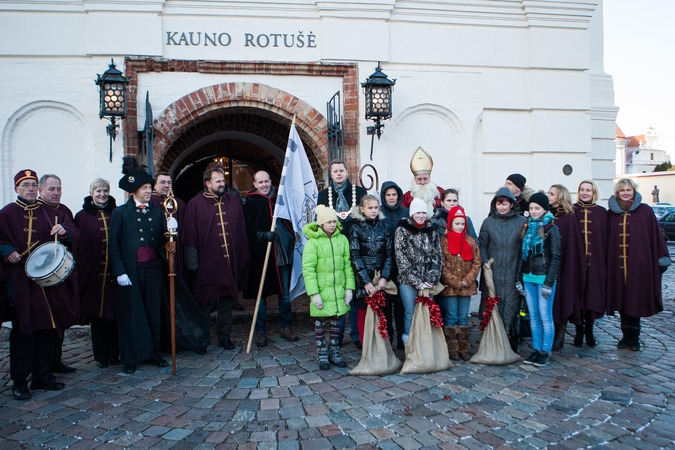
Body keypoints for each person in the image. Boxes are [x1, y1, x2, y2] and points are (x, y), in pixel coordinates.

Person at [0, 170, 79, 400]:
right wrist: (7, 252)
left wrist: (64, 232)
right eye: (26, 185)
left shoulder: (48, 212)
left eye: (34, 184)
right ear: (17, 188)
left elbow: (73, 231)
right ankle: (20, 381)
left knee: (46, 328)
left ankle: (42, 375)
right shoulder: (6, 213)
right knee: (24, 330)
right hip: (20, 282)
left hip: (46, 283)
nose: (31, 188)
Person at [109, 170, 175, 374]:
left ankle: (153, 352)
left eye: (149, 187)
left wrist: (172, 230)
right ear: (133, 191)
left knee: (153, 312)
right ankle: (130, 357)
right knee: (131, 313)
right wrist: (119, 270)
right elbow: (114, 244)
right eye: (145, 188)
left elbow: (165, 238)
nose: (149, 191)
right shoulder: (120, 213)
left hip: (153, 268)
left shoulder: (157, 211)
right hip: (131, 270)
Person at [182, 163, 250, 351]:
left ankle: (224, 336)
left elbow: (240, 230)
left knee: (227, 301)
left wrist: (242, 258)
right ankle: (202, 338)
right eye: (218, 181)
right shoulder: (195, 204)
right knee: (203, 302)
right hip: (207, 263)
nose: (222, 184)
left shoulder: (233, 201)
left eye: (223, 180)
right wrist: (192, 264)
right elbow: (189, 236)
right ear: (207, 184)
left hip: (229, 262)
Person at [607, 178, 670, 351]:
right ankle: (624, 335)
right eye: (622, 190)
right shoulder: (611, 214)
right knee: (621, 300)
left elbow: (655, 236)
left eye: (628, 190)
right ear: (617, 193)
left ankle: (634, 337)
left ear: (634, 191)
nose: (626, 193)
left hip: (639, 266)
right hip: (617, 266)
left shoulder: (645, 211)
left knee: (635, 300)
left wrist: (661, 258)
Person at [243, 170, 298, 347]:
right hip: (261, 256)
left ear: (270, 181)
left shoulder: (281, 200)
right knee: (261, 296)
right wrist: (261, 236)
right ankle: (260, 330)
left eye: (266, 181)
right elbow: (247, 232)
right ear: (255, 184)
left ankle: (286, 326)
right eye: (260, 182)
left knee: (285, 294)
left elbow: (291, 224)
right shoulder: (251, 204)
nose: (264, 185)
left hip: (281, 254)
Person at [317, 160, 366, 347]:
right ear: (330, 174)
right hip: (333, 250)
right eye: (335, 171)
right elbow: (320, 221)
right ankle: (337, 334)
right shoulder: (324, 195)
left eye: (341, 170)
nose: (338, 174)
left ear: (347, 172)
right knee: (337, 293)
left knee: (353, 293)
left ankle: (356, 334)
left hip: (355, 250)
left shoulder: (359, 193)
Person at [302, 205, 355, 370]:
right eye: (328, 222)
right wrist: (314, 294)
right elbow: (308, 271)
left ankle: (334, 350)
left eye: (334, 221)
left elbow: (347, 265)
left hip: (338, 290)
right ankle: (322, 353)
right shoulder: (313, 243)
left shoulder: (342, 240)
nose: (332, 224)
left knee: (336, 322)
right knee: (320, 323)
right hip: (322, 292)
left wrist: (349, 288)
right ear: (321, 224)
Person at [74, 178, 120, 368]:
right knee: (97, 316)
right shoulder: (82, 216)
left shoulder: (116, 213)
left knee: (114, 314)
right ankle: (101, 356)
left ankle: (114, 354)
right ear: (92, 193)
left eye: (105, 191)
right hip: (92, 272)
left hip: (114, 272)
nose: (102, 195)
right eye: (98, 191)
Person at [37, 174, 80, 374]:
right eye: (51, 189)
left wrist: (65, 232)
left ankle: (56, 360)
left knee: (59, 316)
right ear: (40, 190)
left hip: (60, 275)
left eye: (58, 189)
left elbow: (74, 233)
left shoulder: (63, 211)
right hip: (39, 278)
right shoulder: (34, 210)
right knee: (44, 321)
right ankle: (40, 367)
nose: (56, 193)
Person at [478, 187, 527, 352]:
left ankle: (513, 337)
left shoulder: (521, 222)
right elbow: (482, 244)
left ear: (511, 204)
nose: (502, 207)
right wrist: (485, 261)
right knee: (492, 303)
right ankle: (490, 336)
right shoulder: (488, 222)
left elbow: (523, 246)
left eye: (505, 203)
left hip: (513, 269)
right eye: (499, 203)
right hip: (494, 270)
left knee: (513, 303)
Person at [516, 193, 561, 367]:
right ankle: (535, 349)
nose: (534, 211)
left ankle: (545, 351)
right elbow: (522, 255)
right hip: (528, 278)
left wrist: (549, 282)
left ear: (544, 209)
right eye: (532, 208)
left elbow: (556, 256)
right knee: (533, 316)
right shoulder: (527, 227)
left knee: (545, 316)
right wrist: (519, 277)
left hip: (543, 279)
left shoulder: (551, 229)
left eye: (537, 208)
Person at [394, 198, 443, 345]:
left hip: (427, 280)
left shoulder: (432, 230)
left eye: (423, 212)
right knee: (410, 313)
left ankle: (426, 344)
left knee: (427, 312)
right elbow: (401, 257)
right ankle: (410, 344)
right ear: (412, 214)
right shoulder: (402, 230)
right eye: (418, 213)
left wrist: (431, 277)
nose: (421, 215)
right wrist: (415, 280)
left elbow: (437, 255)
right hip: (408, 281)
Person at [349, 195, 393, 344]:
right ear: (362, 209)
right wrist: (366, 282)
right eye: (370, 208)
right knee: (364, 312)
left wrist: (384, 277)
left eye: (376, 208)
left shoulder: (384, 227)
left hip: (380, 275)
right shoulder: (356, 228)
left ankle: (382, 346)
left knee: (383, 312)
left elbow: (389, 254)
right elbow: (355, 256)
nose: (374, 211)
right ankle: (365, 344)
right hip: (364, 276)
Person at [439, 206, 481, 361]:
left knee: (463, 317)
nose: (460, 227)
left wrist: (467, 280)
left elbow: (477, 263)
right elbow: (442, 265)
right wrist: (455, 281)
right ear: (450, 224)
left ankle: (463, 347)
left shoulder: (470, 242)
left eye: (462, 224)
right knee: (451, 316)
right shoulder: (443, 242)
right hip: (450, 287)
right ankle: (452, 348)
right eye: (457, 224)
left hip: (466, 286)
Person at [547, 184, 585, 350]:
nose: (549, 196)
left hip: (563, 265)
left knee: (561, 298)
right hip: (546, 265)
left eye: (552, 193)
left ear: (560, 196)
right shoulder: (546, 215)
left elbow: (572, 245)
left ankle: (559, 335)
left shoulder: (568, 217)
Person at [574, 180, 608, 347]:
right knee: (578, 297)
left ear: (594, 192)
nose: (585, 193)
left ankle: (590, 332)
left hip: (595, 262)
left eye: (588, 190)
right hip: (577, 263)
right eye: (582, 190)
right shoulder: (572, 210)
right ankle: (579, 332)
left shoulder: (602, 213)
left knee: (592, 297)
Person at [379, 181, 408, 348]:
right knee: (385, 306)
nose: (391, 197)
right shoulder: (379, 213)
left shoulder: (406, 212)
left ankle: (402, 340)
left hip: (402, 266)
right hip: (384, 265)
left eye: (394, 195)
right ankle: (387, 338)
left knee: (402, 305)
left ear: (398, 196)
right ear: (384, 196)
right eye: (388, 195)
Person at [401, 146, 445, 212]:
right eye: (419, 179)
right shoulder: (406, 197)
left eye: (425, 179)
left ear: (430, 177)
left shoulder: (440, 192)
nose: (422, 182)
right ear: (414, 179)